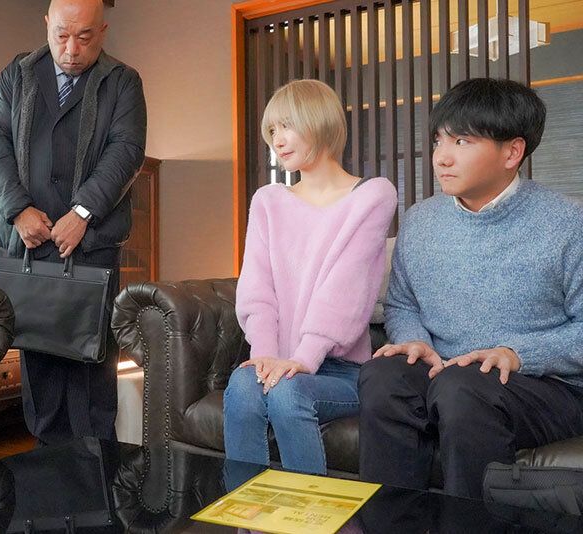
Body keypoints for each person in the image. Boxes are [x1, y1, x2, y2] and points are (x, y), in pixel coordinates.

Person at [359, 78, 583, 499]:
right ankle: (391, 521)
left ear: (512, 152)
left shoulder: (568, 224)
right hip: (447, 371)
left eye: (461, 141)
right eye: (439, 140)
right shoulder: (421, 221)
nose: (441, 157)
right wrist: (414, 341)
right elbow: (403, 304)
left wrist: (517, 354)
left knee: (461, 387)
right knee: (383, 376)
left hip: (547, 386)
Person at [0, 0, 146, 442]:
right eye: (62, 35)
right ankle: (46, 478)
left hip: (90, 246)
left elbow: (126, 152)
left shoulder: (122, 81)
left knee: (92, 378)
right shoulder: (17, 74)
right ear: (46, 25)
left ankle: (97, 478)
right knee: (41, 377)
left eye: (84, 37)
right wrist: (17, 209)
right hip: (29, 243)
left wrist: (83, 212)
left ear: (102, 31)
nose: (71, 49)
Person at [223, 79, 397, 475]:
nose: (277, 140)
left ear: (319, 121)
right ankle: (246, 508)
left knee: (288, 393)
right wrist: (264, 354)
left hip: (341, 370)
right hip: (276, 357)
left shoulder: (372, 195)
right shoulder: (268, 201)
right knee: (243, 388)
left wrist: (303, 359)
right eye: (272, 130)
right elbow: (256, 287)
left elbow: (346, 290)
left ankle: (312, 508)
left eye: (287, 126)